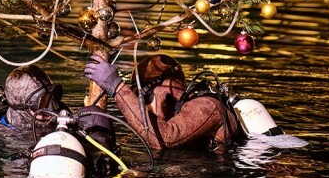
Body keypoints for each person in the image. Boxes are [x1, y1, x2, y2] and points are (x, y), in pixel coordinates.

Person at [84, 53, 241, 153]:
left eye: (143, 98)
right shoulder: (177, 112)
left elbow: (164, 138)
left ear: (161, 89)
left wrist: (117, 87)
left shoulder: (207, 106)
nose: (144, 106)